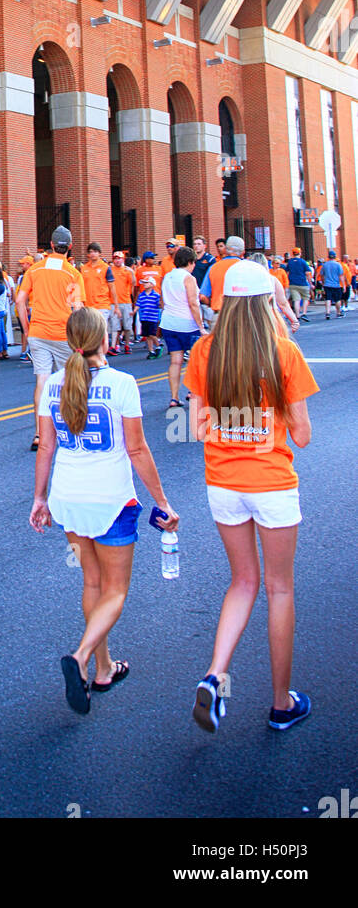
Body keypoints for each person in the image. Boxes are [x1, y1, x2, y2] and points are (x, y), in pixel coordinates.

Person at [185, 260, 318, 733]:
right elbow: (301, 436)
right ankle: (281, 703)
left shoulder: (204, 351)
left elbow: (198, 427)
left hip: (223, 483)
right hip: (273, 484)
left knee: (243, 582)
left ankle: (214, 673)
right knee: (280, 589)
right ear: (266, 303)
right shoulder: (284, 352)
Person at [29, 306, 178, 713]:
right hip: (111, 499)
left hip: (67, 498)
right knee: (115, 589)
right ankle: (80, 658)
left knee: (92, 583)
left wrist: (39, 498)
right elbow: (136, 449)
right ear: (103, 338)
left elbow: (46, 446)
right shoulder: (121, 383)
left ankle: (104, 667)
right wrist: (162, 501)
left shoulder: (53, 386)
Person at [16, 226, 86, 452]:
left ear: (52, 245)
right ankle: (71, 426)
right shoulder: (73, 273)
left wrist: (26, 330)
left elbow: (19, 301)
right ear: (70, 247)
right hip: (63, 333)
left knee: (42, 381)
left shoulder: (34, 270)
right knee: (69, 380)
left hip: (38, 332)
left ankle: (39, 433)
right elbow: (78, 308)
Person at [159, 246, 204, 408]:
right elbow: (193, 303)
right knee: (194, 359)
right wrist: (201, 326)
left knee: (175, 360)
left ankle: (174, 397)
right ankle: (192, 391)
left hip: (169, 322)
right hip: (187, 323)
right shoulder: (188, 278)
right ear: (190, 262)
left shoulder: (167, 277)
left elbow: (162, 300)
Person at [199, 235, 244, 314]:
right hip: (241, 313)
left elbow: (203, 297)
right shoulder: (247, 267)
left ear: (226, 250)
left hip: (219, 313)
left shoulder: (213, 267)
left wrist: (213, 304)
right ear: (243, 252)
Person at [136, 275, 163, 358]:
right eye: (143, 283)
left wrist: (161, 306)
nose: (144, 284)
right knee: (147, 335)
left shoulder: (156, 295)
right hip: (144, 317)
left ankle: (158, 346)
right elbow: (138, 304)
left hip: (152, 318)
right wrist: (133, 311)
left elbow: (159, 305)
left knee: (152, 334)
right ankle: (151, 350)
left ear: (152, 284)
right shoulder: (141, 295)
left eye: (146, 283)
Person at [192, 237, 216, 329]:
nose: (196, 246)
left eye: (199, 244)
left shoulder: (210, 259)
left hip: (205, 295)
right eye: (195, 244)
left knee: (210, 320)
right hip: (193, 295)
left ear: (204, 246)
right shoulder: (191, 259)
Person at [284, 247, 313, 322]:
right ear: (300, 253)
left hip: (292, 283)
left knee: (296, 300)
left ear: (293, 253)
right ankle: (304, 313)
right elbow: (307, 273)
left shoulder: (290, 262)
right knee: (306, 298)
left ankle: (297, 315)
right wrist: (311, 283)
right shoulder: (303, 262)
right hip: (302, 283)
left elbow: (287, 273)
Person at [320, 249, 346, 319]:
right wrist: (343, 286)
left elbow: (322, 275)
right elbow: (341, 276)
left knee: (328, 299)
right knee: (337, 299)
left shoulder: (324, 265)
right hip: (336, 285)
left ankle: (327, 313)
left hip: (327, 284)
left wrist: (323, 283)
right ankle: (338, 313)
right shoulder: (338, 265)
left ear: (328, 257)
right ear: (335, 256)